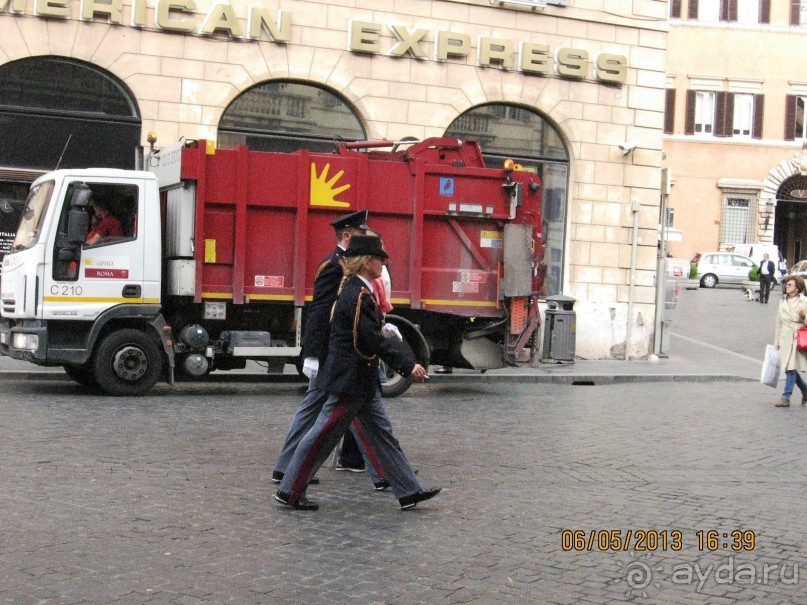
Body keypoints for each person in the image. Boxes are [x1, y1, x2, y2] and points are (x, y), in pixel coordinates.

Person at [276, 235, 440, 511]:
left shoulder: (358, 291)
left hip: (359, 381)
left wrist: (381, 331)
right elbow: (371, 341)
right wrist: (407, 366)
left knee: (383, 436)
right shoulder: (358, 295)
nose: (384, 263)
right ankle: (290, 490)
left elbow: (367, 334)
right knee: (321, 436)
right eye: (379, 258)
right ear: (366, 262)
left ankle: (409, 490)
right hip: (350, 381)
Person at [272, 210, 389, 489]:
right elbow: (320, 310)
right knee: (316, 409)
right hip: (330, 354)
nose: (366, 240)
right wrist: (312, 353)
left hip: (343, 353)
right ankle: (287, 468)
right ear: (347, 235)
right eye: (361, 235)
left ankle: (382, 472)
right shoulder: (334, 265)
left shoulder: (346, 265)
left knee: (353, 412)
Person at [774, 275, 807, 407]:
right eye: (786, 285)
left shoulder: (804, 301)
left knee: (791, 367)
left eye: (790, 285)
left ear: (797, 288)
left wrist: (803, 315)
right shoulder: (782, 301)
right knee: (788, 368)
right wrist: (776, 341)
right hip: (784, 336)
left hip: (797, 336)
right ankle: (804, 388)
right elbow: (778, 322)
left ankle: (786, 396)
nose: (786, 287)